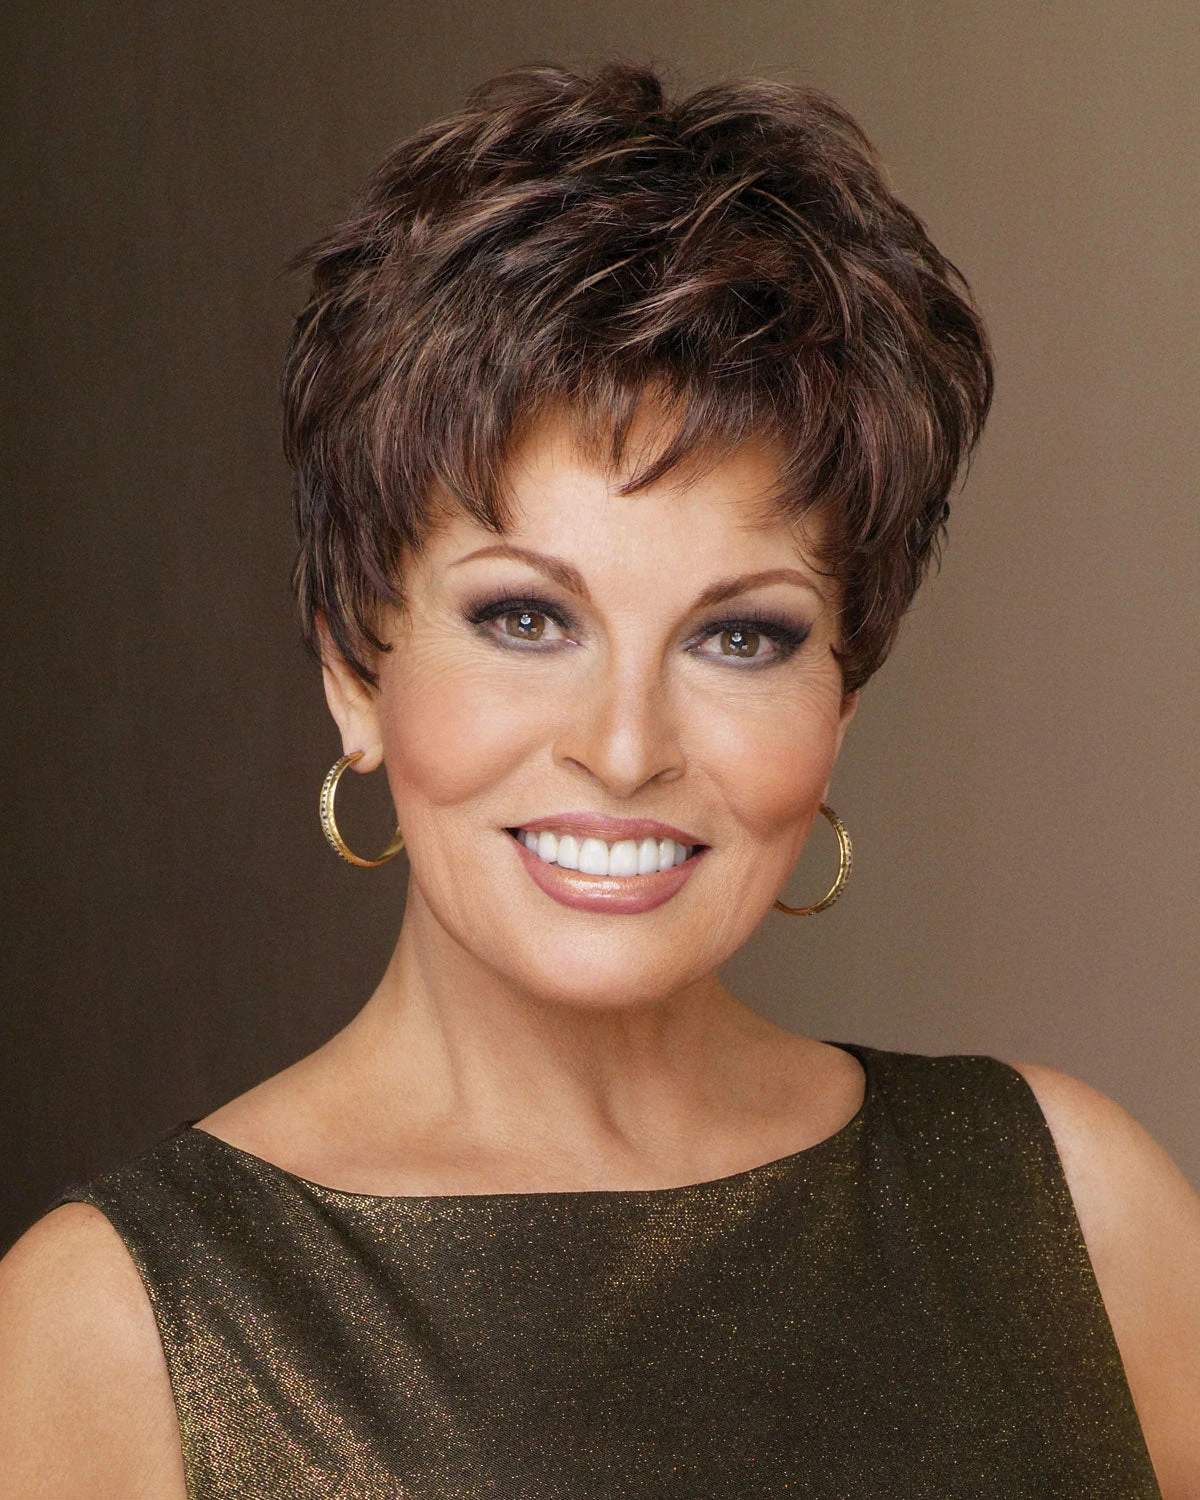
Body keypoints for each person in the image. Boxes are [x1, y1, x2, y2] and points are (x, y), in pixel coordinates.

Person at [0, 61, 1197, 1499]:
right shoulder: (114, 1334)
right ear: (352, 670)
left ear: (844, 694)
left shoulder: (1077, 1212)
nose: (625, 749)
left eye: (740, 638)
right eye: (526, 619)